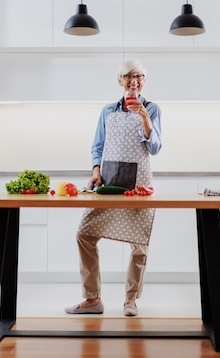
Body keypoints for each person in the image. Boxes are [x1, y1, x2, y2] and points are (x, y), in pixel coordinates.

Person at [65, 60, 162, 317]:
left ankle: (131, 300)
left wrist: (143, 116)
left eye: (139, 76)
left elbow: (155, 148)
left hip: (138, 185)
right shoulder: (108, 110)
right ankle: (92, 298)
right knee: (85, 234)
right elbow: (97, 146)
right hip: (108, 183)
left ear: (144, 80)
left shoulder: (152, 109)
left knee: (139, 243)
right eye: (129, 76)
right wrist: (96, 172)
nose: (134, 81)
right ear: (120, 81)